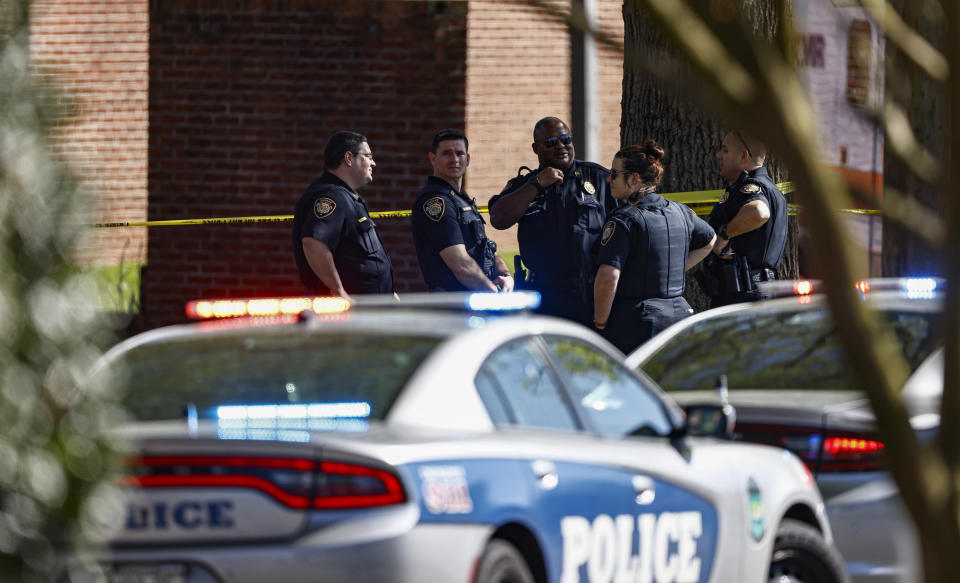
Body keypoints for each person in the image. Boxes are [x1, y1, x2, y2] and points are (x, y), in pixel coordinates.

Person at [488, 117, 618, 326]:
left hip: (590, 292)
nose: (561, 146)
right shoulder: (524, 185)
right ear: (535, 148)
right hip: (542, 294)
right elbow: (499, 218)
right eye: (550, 142)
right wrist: (536, 184)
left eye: (566, 140)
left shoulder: (599, 179)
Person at [593, 141, 716, 354]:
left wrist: (600, 323)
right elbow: (710, 241)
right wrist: (674, 269)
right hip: (680, 318)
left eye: (614, 173)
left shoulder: (623, 220)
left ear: (634, 179)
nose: (609, 179)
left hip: (637, 325)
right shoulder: (681, 212)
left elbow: (608, 277)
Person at [292, 130, 394, 301]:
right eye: (368, 156)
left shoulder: (346, 197)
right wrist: (339, 292)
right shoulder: (332, 196)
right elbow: (313, 243)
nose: (373, 163)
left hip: (367, 308)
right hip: (346, 311)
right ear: (348, 158)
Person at [411, 129, 513, 292]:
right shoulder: (436, 203)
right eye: (446, 153)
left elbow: (484, 247)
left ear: (468, 159)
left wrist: (505, 275)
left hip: (475, 298)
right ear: (433, 159)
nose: (454, 159)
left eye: (459, 153)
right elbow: (461, 265)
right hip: (453, 303)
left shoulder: (460, 199)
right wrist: (493, 294)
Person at [703, 131, 788, 307]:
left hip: (744, 295)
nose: (719, 155)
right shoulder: (770, 189)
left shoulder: (750, 187)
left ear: (743, 156)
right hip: (756, 291)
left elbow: (759, 212)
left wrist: (723, 237)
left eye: (725, 150)